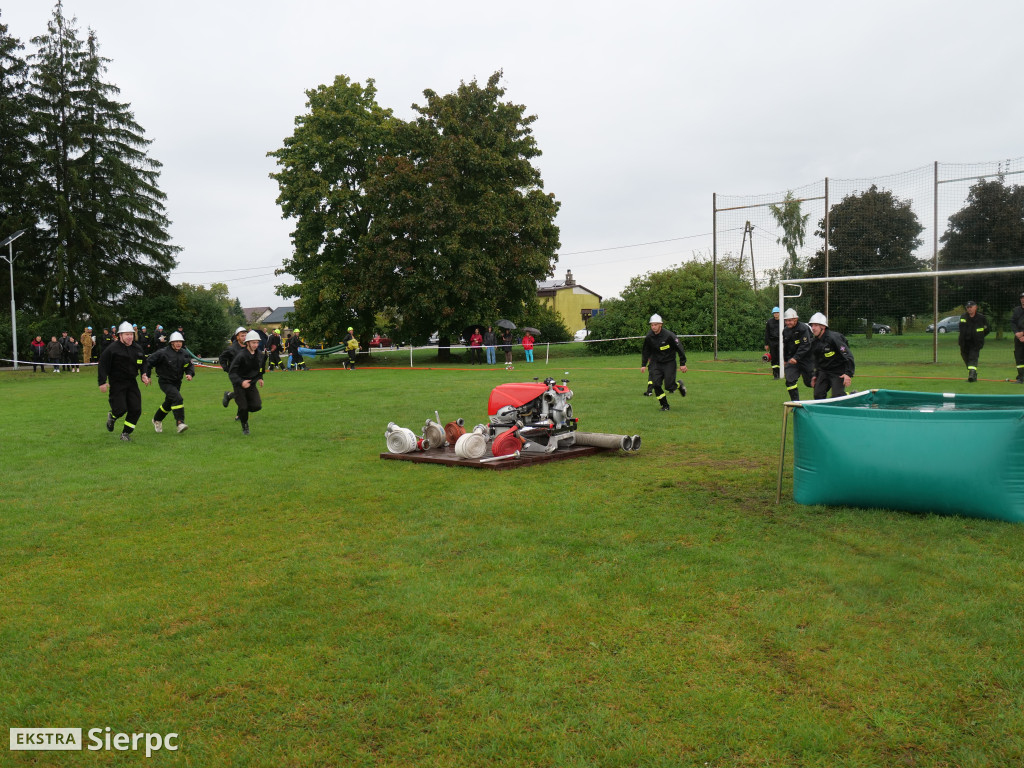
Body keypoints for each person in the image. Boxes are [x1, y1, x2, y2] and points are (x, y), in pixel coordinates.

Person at [97, 321, 145, 441]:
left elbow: (144, 362)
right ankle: (112, 417)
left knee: (136, 409)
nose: (130, 337)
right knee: (120, 409)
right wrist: (102, 382)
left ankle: (125, 433)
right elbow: (102, 364)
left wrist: (144, 374)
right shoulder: (112, 349)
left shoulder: (137, 348)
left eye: (131, 334)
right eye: (127, 334)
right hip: (117, 382)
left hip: (132, 382)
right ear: (120, 335)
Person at [142, 330, 194, 434]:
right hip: (165, 382)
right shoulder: (162, 353)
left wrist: (189, 374)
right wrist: (147, 375)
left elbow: (189, 365)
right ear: (171, 342)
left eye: (180, 341)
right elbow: (148, 362)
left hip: (177, 382)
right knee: (178, 398)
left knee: (169, 403)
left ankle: (156, 419)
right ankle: (180, 423)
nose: (179, 343)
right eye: (176, 341)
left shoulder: (185, 354)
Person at [640, 313, 688, 412]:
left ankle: (679, 385)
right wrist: (643, 364)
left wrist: (682, 363)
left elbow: (680, 348)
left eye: (655, 324)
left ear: (660, 324)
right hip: (655, 363)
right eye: (652, 325)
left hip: (669, 362)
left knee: (669, 386)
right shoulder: (649, 337)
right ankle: (665, 405)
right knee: (656, 385)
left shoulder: (669, 335)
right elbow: (646, 351)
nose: (653, 327)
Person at [808, 313, 855, 399]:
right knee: (818, 395)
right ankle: (822, 412)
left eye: (815, 325)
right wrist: (815, 375)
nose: (813, 328)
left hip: (838, 371)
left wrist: (848, 374)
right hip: (824, 371)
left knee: (837, 397)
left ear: (823, 327)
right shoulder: (814, 342)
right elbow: (817, 361)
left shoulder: (834, 338)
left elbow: (848, 356)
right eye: (812, 325)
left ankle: (851, 395)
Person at [228, 330, 265, 435]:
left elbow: (260, 368)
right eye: (253, 342)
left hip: (251, 384)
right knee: (243, 407)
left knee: (257, 406)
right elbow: (232, 372)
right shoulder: (241, 356)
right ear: (247, 343)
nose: (256, 345)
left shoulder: (259, 355)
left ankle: (231, 395)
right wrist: (241, 382)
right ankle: (245, 426)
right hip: (239, 384)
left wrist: (260, 378)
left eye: (257, 342)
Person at [781, 308, 814, 401]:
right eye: (786, 320)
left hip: (806, 359)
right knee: (789, 380)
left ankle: (835, 389)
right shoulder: (785, 331)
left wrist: (796, 357)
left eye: (790, 320)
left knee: (809, 382)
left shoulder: (803, 328)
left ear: (796, 319)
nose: (788, 323)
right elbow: (786, 346)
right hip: (792, 360)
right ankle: (795, 403)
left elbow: (806, 345)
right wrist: (785, 359)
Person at [958, 300, 990, 382]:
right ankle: (973, 374)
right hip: (964, 342)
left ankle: (971, 375)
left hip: (975, 343)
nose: (969, 309)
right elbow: (961, 328)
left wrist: (980, 337)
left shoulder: (981, 318)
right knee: (966, 358)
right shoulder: (963, 317)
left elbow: (987, 329)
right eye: (968, 307)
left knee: (973, 357)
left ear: (975, 307)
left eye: (971, 307)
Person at [220, 327, 248, 410]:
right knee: (242, 395)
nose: (244, 337)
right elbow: (222, 358)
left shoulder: (248, 347)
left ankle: (229, 395)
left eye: (245, 335)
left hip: (246, 374)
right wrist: (227, 368)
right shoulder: (232, 348)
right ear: (237, 337)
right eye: (242, 336)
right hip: (235, 375)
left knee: (245, 394)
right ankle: (240, 415)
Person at [763, 306, 781, 379]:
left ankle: (780, 373)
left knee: (780, 358)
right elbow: (767, 333)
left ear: (780, 313)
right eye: (774, 313)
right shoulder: (770, 322)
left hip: (780, 342)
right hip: (772, 342)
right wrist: (766, 344)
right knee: (774, 358)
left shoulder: (783, 322)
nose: (776, 314)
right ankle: (775, 374)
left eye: (777, 313)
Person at [1011, 292, 1024, 383]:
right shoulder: (1017, 310)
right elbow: (1012, 322)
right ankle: (1021, 377)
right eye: (1022, 298)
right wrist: (1016, 333)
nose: (1023, 299)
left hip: (1022, 335)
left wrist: (1023, 333)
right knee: (1019, 357)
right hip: (1018, 338)